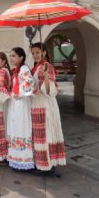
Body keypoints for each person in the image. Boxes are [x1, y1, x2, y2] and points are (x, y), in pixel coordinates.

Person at [31, 43, 66, 173]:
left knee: (47, 133)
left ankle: (48, 165)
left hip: (45, 104)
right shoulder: (36, 67)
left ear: (44, 52)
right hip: (37, 103)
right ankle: (42, 163)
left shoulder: (47, 66)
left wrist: (46, 76)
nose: (35, 55)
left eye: (38, 52)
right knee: (40, 135)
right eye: (33, 53)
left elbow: (50, 90)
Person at [6, 47, 35, 170]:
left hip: (21, 102)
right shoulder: (17, 70)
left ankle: (23, 159)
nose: (11, 58)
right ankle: (16, 158)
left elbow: (29, 82)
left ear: (21, 57)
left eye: (13, 55)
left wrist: (21, 93)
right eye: (10, 55)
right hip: (15, 102)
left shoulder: (23, 69)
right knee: (15, 128)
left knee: (21, 127)